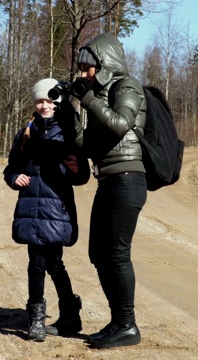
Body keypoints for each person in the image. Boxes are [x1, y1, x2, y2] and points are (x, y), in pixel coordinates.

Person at [69, 33, 147, 349]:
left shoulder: (127, 86)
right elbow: (85, 146)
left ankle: (128, 326)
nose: (84, 74)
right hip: (109, 180)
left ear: (103, 64)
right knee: (98, 254)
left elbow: (120, 124)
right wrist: (71, 114)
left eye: (88, 68)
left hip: (128, 179)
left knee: (115, 253)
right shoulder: (99, 95)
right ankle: (118, 322)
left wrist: (88, 99)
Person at [3, 78, 90, 342]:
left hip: (56, 209)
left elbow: (81, 175)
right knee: (38, 263)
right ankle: (39, 319)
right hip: (31, 206)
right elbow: (11, 168)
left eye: (49, 101)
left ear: (57, 103)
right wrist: (13, 177)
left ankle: (64, 313)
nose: (44, 106)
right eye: (40, 101)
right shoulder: (25, 134)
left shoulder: (67, 133)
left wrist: (69, 168)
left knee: (53, 263)